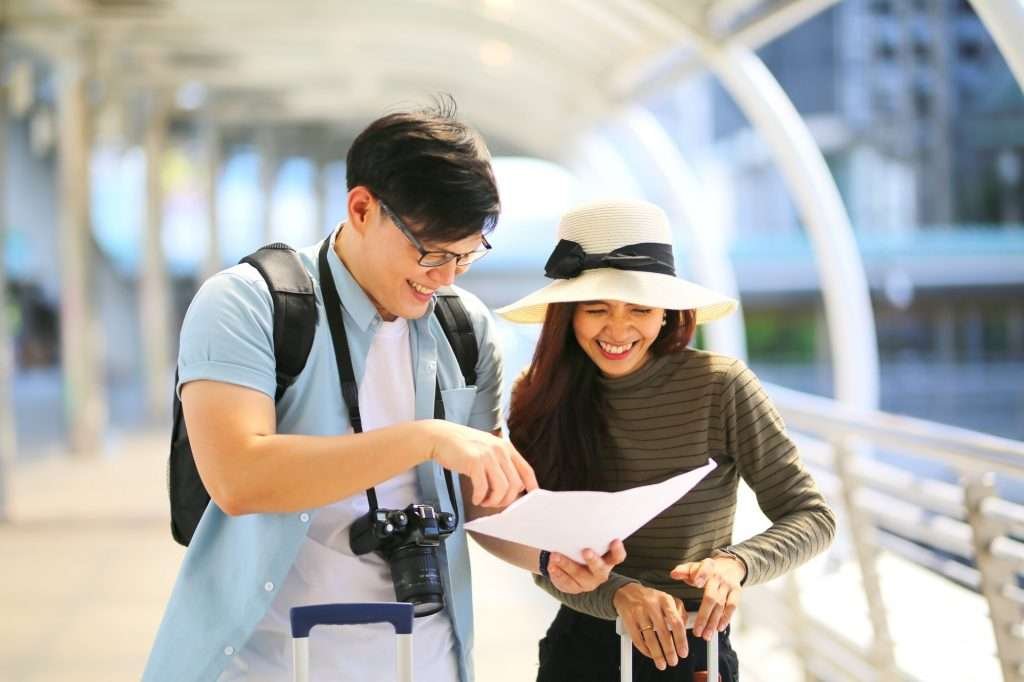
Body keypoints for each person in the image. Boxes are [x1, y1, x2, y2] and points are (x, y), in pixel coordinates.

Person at [144, 101, 545, 682]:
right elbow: (239, 476)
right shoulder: (247, 304)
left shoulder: (465, 328)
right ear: (362, 208)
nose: (446, 277)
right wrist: (425, 439)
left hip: (424, 662)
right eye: (431, 253)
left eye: (465, 257)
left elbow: (480, 496)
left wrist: (556, 557)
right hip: (267, 664)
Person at [498, 199, 837, 681]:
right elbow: (539, 549)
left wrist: (735, 565)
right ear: (568, 315)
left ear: (666, 314)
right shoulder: (537, 395)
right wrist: (618, 592)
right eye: (596, 309)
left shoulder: (721, 385)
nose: (618, 329)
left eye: (639, 308)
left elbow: (813, 517)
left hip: (694, 650)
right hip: (579, 648)